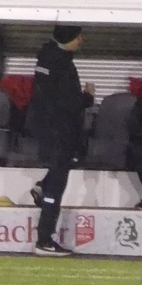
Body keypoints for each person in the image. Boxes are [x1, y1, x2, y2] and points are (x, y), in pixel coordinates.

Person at [28, 25, 94, 256]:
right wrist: (87, 98)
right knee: (56, 187)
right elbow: (67, 103)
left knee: (56, 178)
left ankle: (41, 186)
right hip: (60, 132)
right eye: (78, 36)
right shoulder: (62, 64)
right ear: (69, 39)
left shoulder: (47, 58)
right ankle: (44, 240)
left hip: (49, 129)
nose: (81, 39)